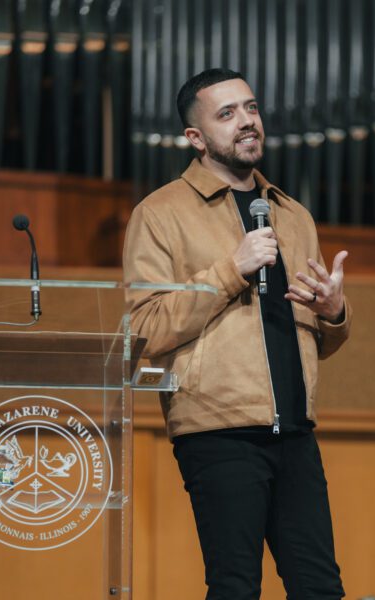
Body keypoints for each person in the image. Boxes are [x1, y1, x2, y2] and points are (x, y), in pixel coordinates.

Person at [123, 68, 351, 599]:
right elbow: (143, 326)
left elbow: (321, 338)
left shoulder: (292, 215)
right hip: (217, 429)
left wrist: (334, 312)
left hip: (295, 428)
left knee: (321, 588)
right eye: (227, 114)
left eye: (250, 108)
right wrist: (231, 270)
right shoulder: (160, 214)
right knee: (235, 587)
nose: (247, 121)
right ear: (195, 138)